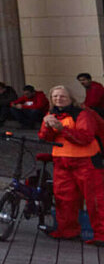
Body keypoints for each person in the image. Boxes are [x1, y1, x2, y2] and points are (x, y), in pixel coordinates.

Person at [39, 85, 104, 244]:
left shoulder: (83, 114)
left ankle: (101, 235)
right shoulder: (51, 114)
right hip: (62, 162)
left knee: (95, 200)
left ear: (71, 98)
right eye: (55, 97)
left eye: (62, 96)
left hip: (86, 161)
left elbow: (85, 138)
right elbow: (45, 137)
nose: (58, 99)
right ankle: (67, 231)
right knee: (64, 198)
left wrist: (62, 129)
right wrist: (47, 126)